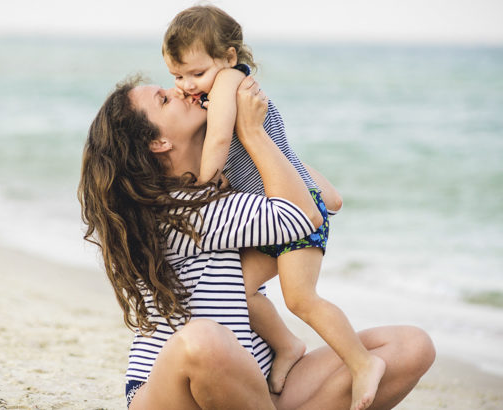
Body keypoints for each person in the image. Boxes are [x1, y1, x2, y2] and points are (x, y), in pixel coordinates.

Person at [78, 74, 435, 409]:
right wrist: (252, 133)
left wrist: (254, 141)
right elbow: (303, 217)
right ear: (158, 142)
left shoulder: (223, 186)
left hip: (256, 385)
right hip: (172, 391)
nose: (180, 91)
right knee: (202, 341)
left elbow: (328, 197)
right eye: (164, 99)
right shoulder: (176, 210)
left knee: (410, 347)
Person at [162, 6, 383, 409]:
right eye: (177, 76)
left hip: (294, 214)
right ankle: (287, 346)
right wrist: (191, 93)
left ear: (229, 57)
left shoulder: (230, 82)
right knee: (238, 293)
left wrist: (200, 184)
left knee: (300, 298)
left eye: (196, 73)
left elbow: (218, 143)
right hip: (273, 215)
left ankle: (363, 362)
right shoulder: (214, 87)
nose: (188, 85)